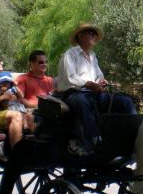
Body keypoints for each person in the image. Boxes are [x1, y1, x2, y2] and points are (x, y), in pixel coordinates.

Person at [56, 23, 137, 156]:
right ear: (80, 36)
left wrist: (102, 82)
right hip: (73, 93)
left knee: (125, 101)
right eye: (90, 33)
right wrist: (88, 84)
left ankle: (133, 135)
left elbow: (99, 76)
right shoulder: (70, 54)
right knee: (82, 102)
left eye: (94, 34)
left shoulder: (93, 56)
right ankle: (92, 142)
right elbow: (70, 78)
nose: (93, 36)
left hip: (93, 93)